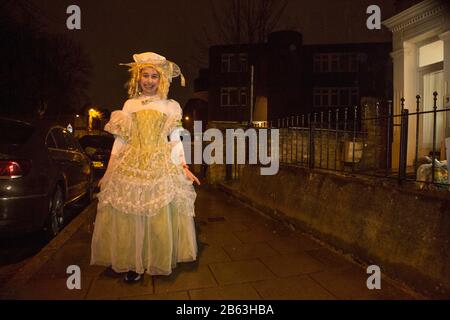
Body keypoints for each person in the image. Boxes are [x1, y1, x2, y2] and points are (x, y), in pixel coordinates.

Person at [90, 52, 200, 283]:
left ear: (163, 80)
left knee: (158, 217)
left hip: (160, 163)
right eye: (145, 76)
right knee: (133, 216)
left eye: (154, 76)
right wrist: (110, 170)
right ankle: (135, 264)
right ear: (137, 78)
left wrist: (183, 166)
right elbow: (121, 140)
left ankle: (156, 259)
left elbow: (174, 139)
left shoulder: (171, 106)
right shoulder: (129, 105)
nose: (149, 81)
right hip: (132, 164)